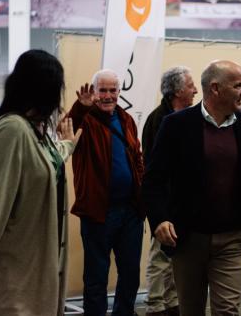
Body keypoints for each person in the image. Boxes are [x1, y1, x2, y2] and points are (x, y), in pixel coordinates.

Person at [0, 49, 81, 315]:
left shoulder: (35, 131)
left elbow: (46, 162)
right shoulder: (12, 130)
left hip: (37, 269)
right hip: (13, 273)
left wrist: (67, 146)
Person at [143, 60, 241, 316]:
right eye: (238, 86)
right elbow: (153, 179)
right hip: (189, 238)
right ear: (215, 89)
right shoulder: (176, 125)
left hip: (234, 238)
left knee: (227, 311)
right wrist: (159, 219)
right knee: (191, 310)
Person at [67, 69, 145, 316]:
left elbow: (137, 157)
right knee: (96, 277)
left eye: (113, 90)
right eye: (103, 90)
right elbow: (66, 130)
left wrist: (142, 192)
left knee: (131, 273)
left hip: (131, 212)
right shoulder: (85, 119)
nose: (108, 95)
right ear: (94, 91)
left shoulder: (126, 119)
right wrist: (81, 108)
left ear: (119, 92)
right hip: (98, 212)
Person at [142, 66, 198, 316]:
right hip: (165, 204)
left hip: (181, 202)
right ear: (177, 91)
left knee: (176, 256)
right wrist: (160, 212)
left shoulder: (184, 118)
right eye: (191, 86)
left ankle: (173, 303)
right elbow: (156, 172)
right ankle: (155, 306)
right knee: (160, 255)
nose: (196, 90)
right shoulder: (160, 121)